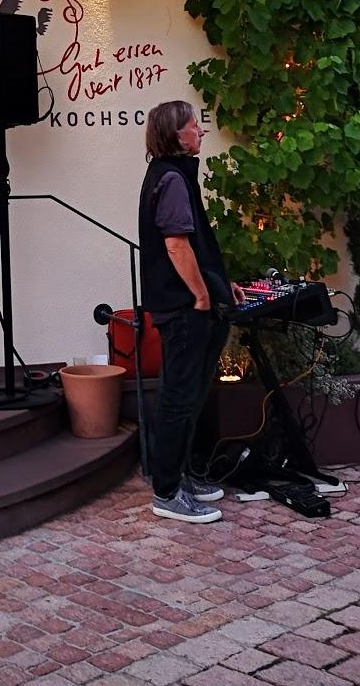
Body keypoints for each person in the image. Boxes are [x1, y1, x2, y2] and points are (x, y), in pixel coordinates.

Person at [138, 100, 246, 523]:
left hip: (189, 304)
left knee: (190, 395)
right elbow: (176, 245)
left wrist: (221, 284)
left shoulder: (173, 175)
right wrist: (202, 296)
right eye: (193, 125)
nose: (201, 130)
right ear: (176, 136)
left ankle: (182, 476)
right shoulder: (172, 179)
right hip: (184, 309)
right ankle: (167, 492)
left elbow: (197, 243)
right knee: (179, 399)